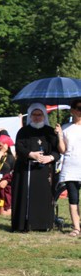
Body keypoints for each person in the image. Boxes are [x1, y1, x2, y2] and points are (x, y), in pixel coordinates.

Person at [12, 103, 60, 232]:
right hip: (25, 170)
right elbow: (19, 148)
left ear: (44, 116)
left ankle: (43, 224)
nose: (37, 117)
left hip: (44, 170)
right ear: (30, 116)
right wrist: (30, 154)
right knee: (25, 198)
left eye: (40, 115)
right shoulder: (23, 131)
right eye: (34, 114)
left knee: (43, 197)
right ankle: (24, 224)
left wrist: (50, 158)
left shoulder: (50, 132)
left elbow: (57, 151)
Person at [56, 99, 81, 236]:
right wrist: (59, 135)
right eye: (78, 108)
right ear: (72, 110)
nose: (80, 111)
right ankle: (76, 228)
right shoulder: (65, 128)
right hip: (71, 166)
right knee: (73, 197)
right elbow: (62, 150)